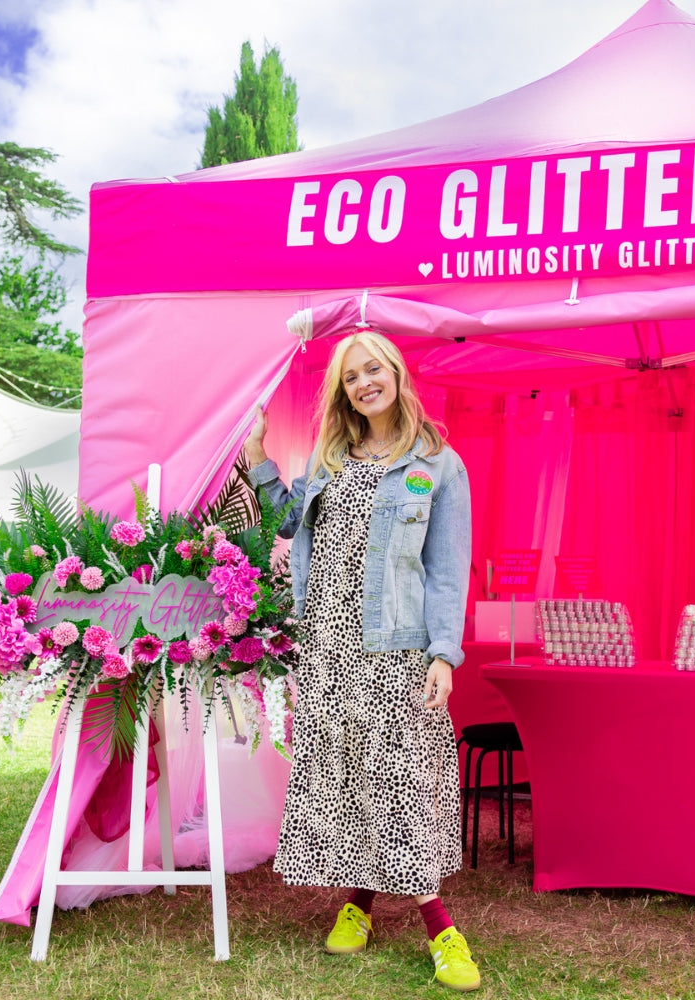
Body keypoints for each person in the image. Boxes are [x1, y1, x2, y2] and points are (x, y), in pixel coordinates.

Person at [243, 328, 479, 992]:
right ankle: (358, 904)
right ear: (342, 392)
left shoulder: (438, 465)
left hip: (395, 648)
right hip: (326, 645)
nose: (364, 383)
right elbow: (288, 524)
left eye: (373, 370)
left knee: (400, 783)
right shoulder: (330, 460)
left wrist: (444, 654)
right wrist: (258, 456)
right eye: (350, 377)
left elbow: (447, 570)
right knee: (349, 779)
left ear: (396, 374)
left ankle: (441, 930)